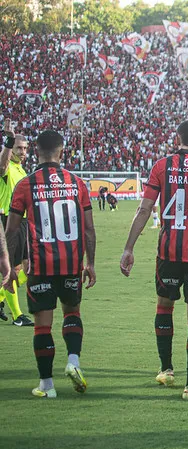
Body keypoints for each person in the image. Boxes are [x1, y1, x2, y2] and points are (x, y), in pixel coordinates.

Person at [120, 121, 188, 401]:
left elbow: (144, 209)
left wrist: (129, 248)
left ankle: (166, 369)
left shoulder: (162, 166)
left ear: (177, 138)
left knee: (164, 306)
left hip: (169, 252)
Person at [4, 130, 96, 398]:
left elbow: (11, 231)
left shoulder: (25, 185)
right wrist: (90, 263)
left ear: (36, 152)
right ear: (62, 152)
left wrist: (8, 266)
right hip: (71, 263)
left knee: (42, 325)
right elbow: (88, 229)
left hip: (40, 265)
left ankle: (47, 385)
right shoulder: (77, 183)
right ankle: (73, 361)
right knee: (72, 313)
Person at [0, 119, 34, 326]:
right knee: (12, 270)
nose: (22, 152)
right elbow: (1, 165)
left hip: (23, 222)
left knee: (29, 268)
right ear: (11, 150)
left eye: (25, 148)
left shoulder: (21, 170)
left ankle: (1, 298)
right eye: (18, 148)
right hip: (9, 221)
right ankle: (17, 316)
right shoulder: (7, 168)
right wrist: (8, 140)